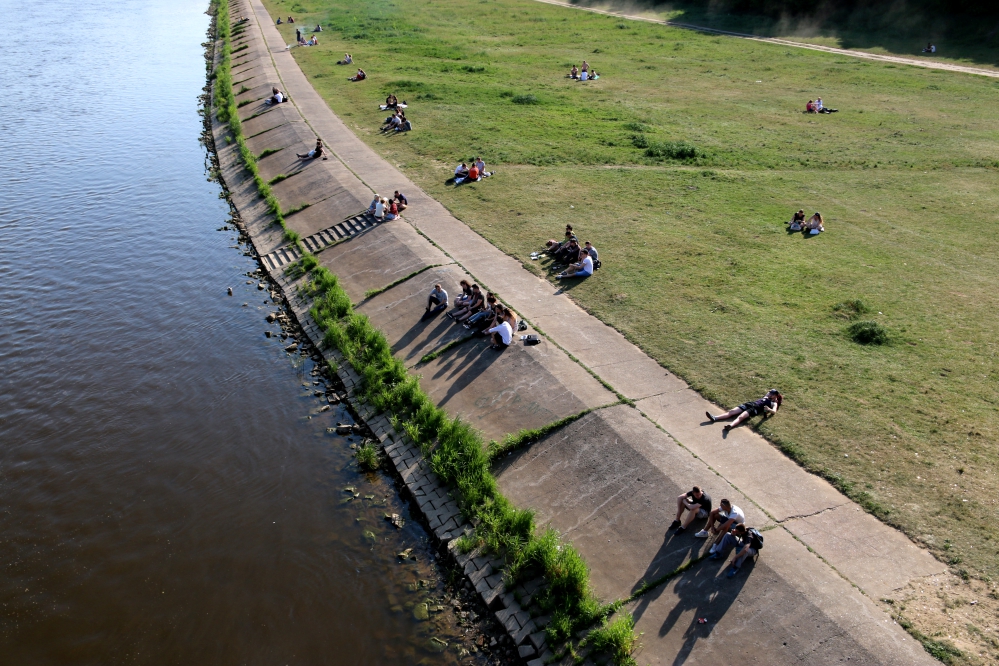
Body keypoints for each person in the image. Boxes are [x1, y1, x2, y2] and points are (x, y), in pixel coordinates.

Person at [706, 389, 782, 431]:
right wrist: (771, 395)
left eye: (772, 394)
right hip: (749, 404)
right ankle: (715, 418)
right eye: (770, 393)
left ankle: (730, 426)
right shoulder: (766, 396)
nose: (770, 394)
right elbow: (768, 392)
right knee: (732, 412)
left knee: (741, 417)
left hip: (754, 409)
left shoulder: (773, 403)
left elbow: (774, 411)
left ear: (775, 395)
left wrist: (769, 409)